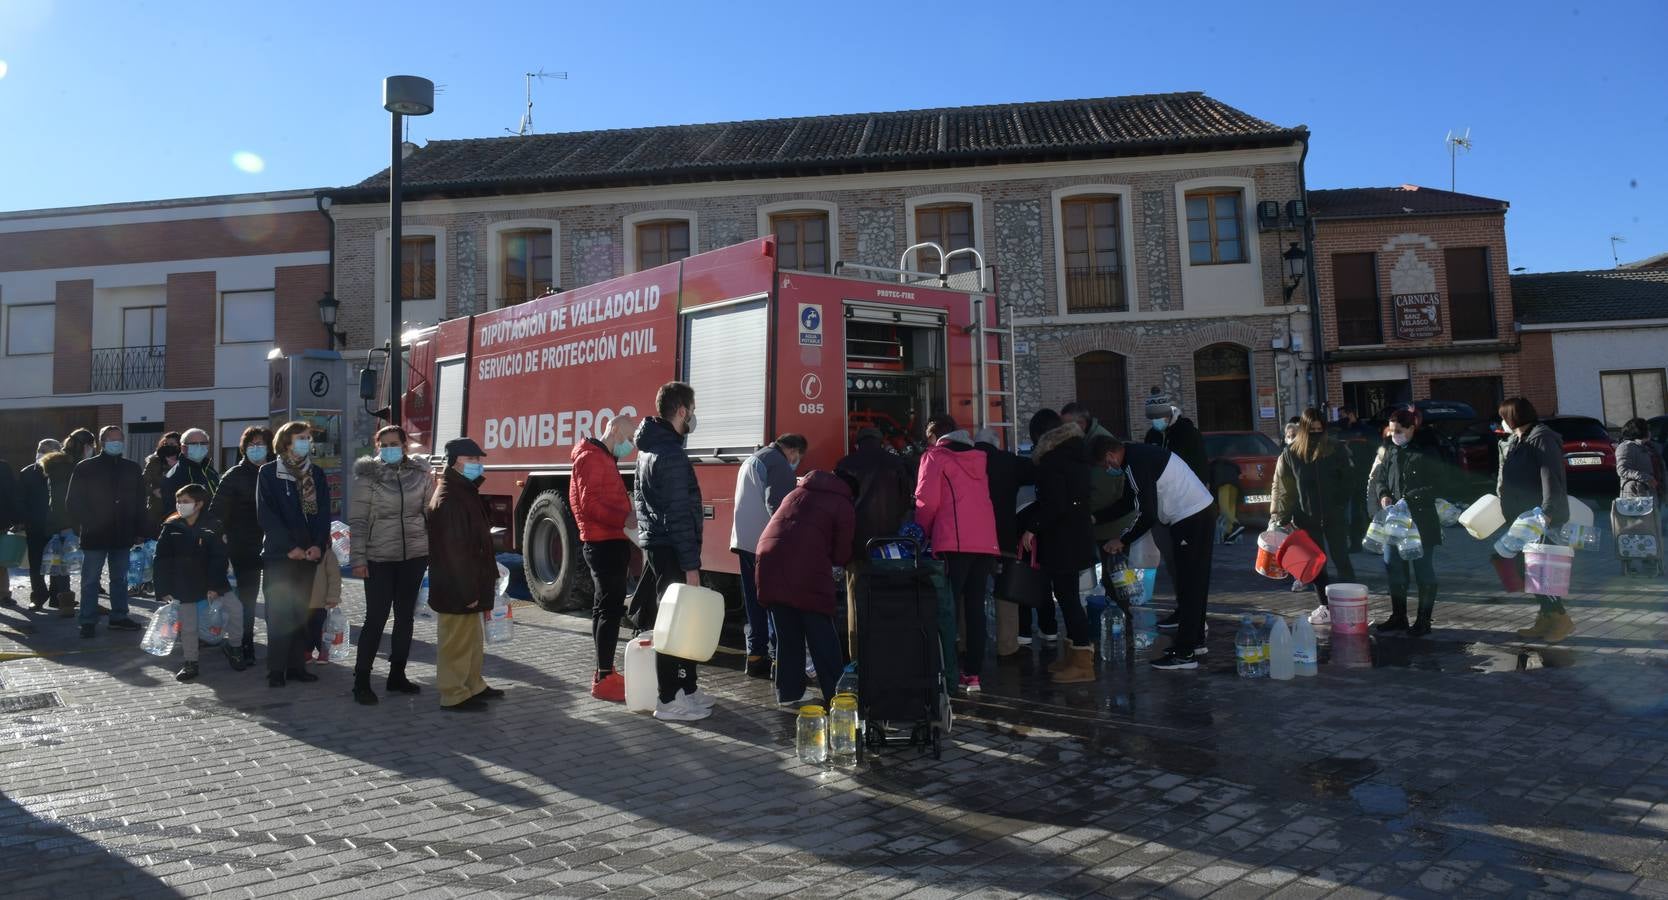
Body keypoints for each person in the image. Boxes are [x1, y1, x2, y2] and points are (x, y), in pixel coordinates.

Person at [629, 382, 714, 722]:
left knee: (678, 620)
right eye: (691, 410)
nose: (693, 416)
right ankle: (669, 698)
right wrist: (691, 565)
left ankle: (687, 689)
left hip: (658, 546)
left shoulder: (649, 449)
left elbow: (642, 502)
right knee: (676, 623)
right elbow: (679, 513)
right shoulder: (671, 454)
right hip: (671, 549)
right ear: (681, 411)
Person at [1098, 434, 1217, 671]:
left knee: (1189, 584)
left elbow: (1147, 513)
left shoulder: (1134, 463)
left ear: (1110, 455)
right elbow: (1130, 501)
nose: (1107, 468)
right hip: (1198, 512)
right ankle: (1194, 642)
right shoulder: (1138, 456)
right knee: (1194, 581)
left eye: (1105, 463)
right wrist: (1097, 517)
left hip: (1190, 517)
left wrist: (1122, 540)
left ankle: (1185, 654)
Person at [347, 425, 433, 705]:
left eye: (394, 443)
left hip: (414, 556)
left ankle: (397, 675)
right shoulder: (367, 475)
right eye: (384, 445)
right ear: (377, 446)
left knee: (405, 617)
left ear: (405, 445)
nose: (389, 449)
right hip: (379, 558)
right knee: (376, 618)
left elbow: (428, 511)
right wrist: (358, 560)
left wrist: (431, 549)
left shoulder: (419, 473)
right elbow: (358, 521)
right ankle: (361, 681)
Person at [914, 414, 1001, 692]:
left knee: (946, 608)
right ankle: (973, 674)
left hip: (954, 542)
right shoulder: (980, 458)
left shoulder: (934, 457)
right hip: (985, 542)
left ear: (934, 436)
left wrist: (920, 532)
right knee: (975, 608)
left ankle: (947, 671)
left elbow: (927, 502)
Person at [756, 469, 856, 704]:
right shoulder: (842, 503)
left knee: (787, 635)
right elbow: (842, 552)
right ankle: (836, 694)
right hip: (806, 568)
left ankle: (789, 693)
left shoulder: (796, 493)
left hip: (768, 562)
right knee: (822, 635)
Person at [425, 437, 504, 712]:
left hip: (465, 582)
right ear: (458, 460)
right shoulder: (450, 498)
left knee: (470, 640)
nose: (478, 465)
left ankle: (472, 684)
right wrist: (468, 591)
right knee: (456, 643)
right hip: (458, 586)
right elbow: (455, 553)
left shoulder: (461, 490)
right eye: (473, 460)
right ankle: (453, 694)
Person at [1019, 409, 1098, 684]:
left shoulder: (1052, 461)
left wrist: (1032, 527)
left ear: (1040, 435)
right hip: (1077, 536)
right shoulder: (1075, 452)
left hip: (1063, 540)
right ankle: (1073, 653)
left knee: (1069, 599)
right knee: (1069, 598)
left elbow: (1054, 503)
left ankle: (1082, 662)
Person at [255, 421, 330, 687]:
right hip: (280, 556)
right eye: (301, 437)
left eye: (308, 438)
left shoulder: (316, 474)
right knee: (279, 614)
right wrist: (290, 547)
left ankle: (297, 666)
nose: (306, 442)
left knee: (301, 613)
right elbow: (267, 515)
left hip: (309, 556)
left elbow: (323, 513)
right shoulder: (269, 473)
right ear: (286, 441)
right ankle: (276, 670)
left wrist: (318, 545)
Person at [570, 413, 637, 702]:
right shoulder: (593, 458)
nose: (631, 446)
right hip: (604, 542)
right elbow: (590, 505)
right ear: (618, 434)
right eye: (630, 439)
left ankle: (604, 671)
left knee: (603, 608)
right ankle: (604, 676)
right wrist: (626, 517)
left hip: (607, 540)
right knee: (609, 610)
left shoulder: (602, 457)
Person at [730, 434, 808, 678]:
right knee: (775, 601)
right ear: (793, 451)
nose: (796, 462)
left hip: (742, 541)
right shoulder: (779, 463)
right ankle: (779, 661)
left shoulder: (753, 459)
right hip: (764, 543)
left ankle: (755, 657)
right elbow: (778, 506)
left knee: (754, 602)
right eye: (798, 458)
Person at [1270, 408, 1358, 625]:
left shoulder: (1335, 448)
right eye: (1313, 430)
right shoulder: (1292, 454)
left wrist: (1339, 502)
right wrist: (1282, 517)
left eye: (1320, 429)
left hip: (1334, 513)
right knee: (1316, 564)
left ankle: (1351, 604)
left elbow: (1348, 479)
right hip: (1306, 516)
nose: (1317, 434)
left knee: (1341, 559)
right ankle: (1326, 606)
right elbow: (1287, 489)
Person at [1495, 398, 1572, 641]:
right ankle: (1546, 617)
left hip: (1539, 517)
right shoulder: (1519, 440)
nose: (1501, 423)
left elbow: (1551, 475)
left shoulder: (1542, 438)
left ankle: (1559, 619)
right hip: (1522, 518)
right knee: (1528, 570)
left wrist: (1547, 512)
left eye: (1503, 417)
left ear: (1512, 417)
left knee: (1540, 571)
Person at [1366, 408, 1444, 635]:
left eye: (1399, 431)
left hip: (1421, 519)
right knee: (1393, 567)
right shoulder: (1390, 450)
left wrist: (1410, 499)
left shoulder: (1427, 451)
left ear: (1411, 428)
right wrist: (1383, 495)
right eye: (1391, 431)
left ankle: (1423, 620)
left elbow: (1440, 484)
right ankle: (1398, 615)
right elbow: (1379, 478)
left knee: (1423, 569)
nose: (1394, 435)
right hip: (1394, 519)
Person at [836, 427, 912, 655]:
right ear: (880, 442)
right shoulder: (896, 464)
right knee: (888, 597)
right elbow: (906, 501)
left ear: (857, 444)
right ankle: (888, 650)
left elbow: (841, 504)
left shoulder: (846, 464)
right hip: (890, 544)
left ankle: (857, 656)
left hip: (857, 544)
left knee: (855, 600)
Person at [65, 426, 147, 638]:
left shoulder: (132, 468)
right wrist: (88, 523)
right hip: (95, 534)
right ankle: (87, 620)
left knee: (120, 579)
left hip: (123, 534)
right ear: (101, 442)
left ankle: (119, 617)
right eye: (111, 439)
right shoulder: (85, 467)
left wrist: (139, 529)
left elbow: (140, 501)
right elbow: (73, 502)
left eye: (120, 439)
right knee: (90, 580)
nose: (116, 442)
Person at [154, 483, 242, 680]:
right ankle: (190, 663)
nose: (180, 505)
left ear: (199, 504)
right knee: (189, 626)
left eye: (186, 502)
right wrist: (163, 588)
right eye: (179, 501)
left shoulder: (213, 525)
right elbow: (161, 559)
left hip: (214, 581)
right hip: (184, 583)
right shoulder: (171, 526)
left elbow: (220, 557)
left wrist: (214, 586)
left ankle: (235, 648)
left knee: (236, 611)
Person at [208, 427, 270, 666]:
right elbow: (216, 512)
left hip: (273, 544)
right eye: (252, 444)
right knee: (248, 599)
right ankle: (244, 643)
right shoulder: (234, 475)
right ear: (244, 447)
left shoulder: (275, 472)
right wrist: (222, 535)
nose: (257, 448)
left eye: (262, 443)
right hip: (244, 546)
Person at [974, 428, 1035, 656]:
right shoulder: (1008, 461)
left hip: (971, 540)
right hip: (1004, 537)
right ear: (996, 444)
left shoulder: (964, 460)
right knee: (1005, 594)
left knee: (969, 595)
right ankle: (1007, 647)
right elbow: (1034, 474)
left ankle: (966, 645)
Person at [18, 439, 64, 610]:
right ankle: (38, 596)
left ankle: (56, 596)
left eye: (48, 450)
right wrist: (23, 520)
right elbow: (21, 498)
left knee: (57, 563)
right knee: (36, 563)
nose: (43, 452)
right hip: (35, 525)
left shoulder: (62, 471)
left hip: (57, 524)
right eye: (41, 449)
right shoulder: (28, 472)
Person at [39, 438, 81, 615]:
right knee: (77, 563)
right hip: (72, 524)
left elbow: (55, 502)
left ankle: (65, 603)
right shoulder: (70, 471)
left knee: (62, 565)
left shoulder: (52, 473)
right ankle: (70, 604)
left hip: (58, 525)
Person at [1143, 389, 1208, 484]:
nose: (1155, 421)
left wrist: (1201, 485)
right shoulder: (1151, 435)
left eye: (1158, 417)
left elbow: (1200, 463)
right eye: (1152, 418)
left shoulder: (1188, 432)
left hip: (1186, 487)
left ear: (1167, 415)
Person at [162, 429, 221, 517]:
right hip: (193, 528)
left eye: (203, 443)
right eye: (194, 444)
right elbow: (172, 512)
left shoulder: (210, 470)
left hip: (215, 526)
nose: (199, 446)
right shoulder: (175, 475)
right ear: (183, 448)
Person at [1617, 418, 1666, 503]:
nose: (1649, 432)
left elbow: (1660, 469)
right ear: (1639, 431)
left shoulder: (1651, 447)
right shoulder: (1626, 447)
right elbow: (1623, 470)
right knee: (1644, 516)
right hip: (1636, 495)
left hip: (1655, 491)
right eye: (1647, 429)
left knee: (1656, 515)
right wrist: (1647, 478)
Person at [142, 433, 182, 533]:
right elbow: (142, 483)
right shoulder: (154, 462)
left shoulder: (185, 463)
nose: (168, 446)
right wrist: (153, 491)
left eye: (172, 444)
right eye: (166, 444)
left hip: (178, 509)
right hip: (156, 509)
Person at [1209, 456, 1245, 544]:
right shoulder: (1232, 465)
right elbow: (1240, 474)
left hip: (1223, 486)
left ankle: (1236, 524)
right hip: (1235, 486)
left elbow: (1209, 483)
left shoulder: (1212, 466)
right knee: (1231, 509)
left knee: (1224, 509)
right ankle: (1229, 535)